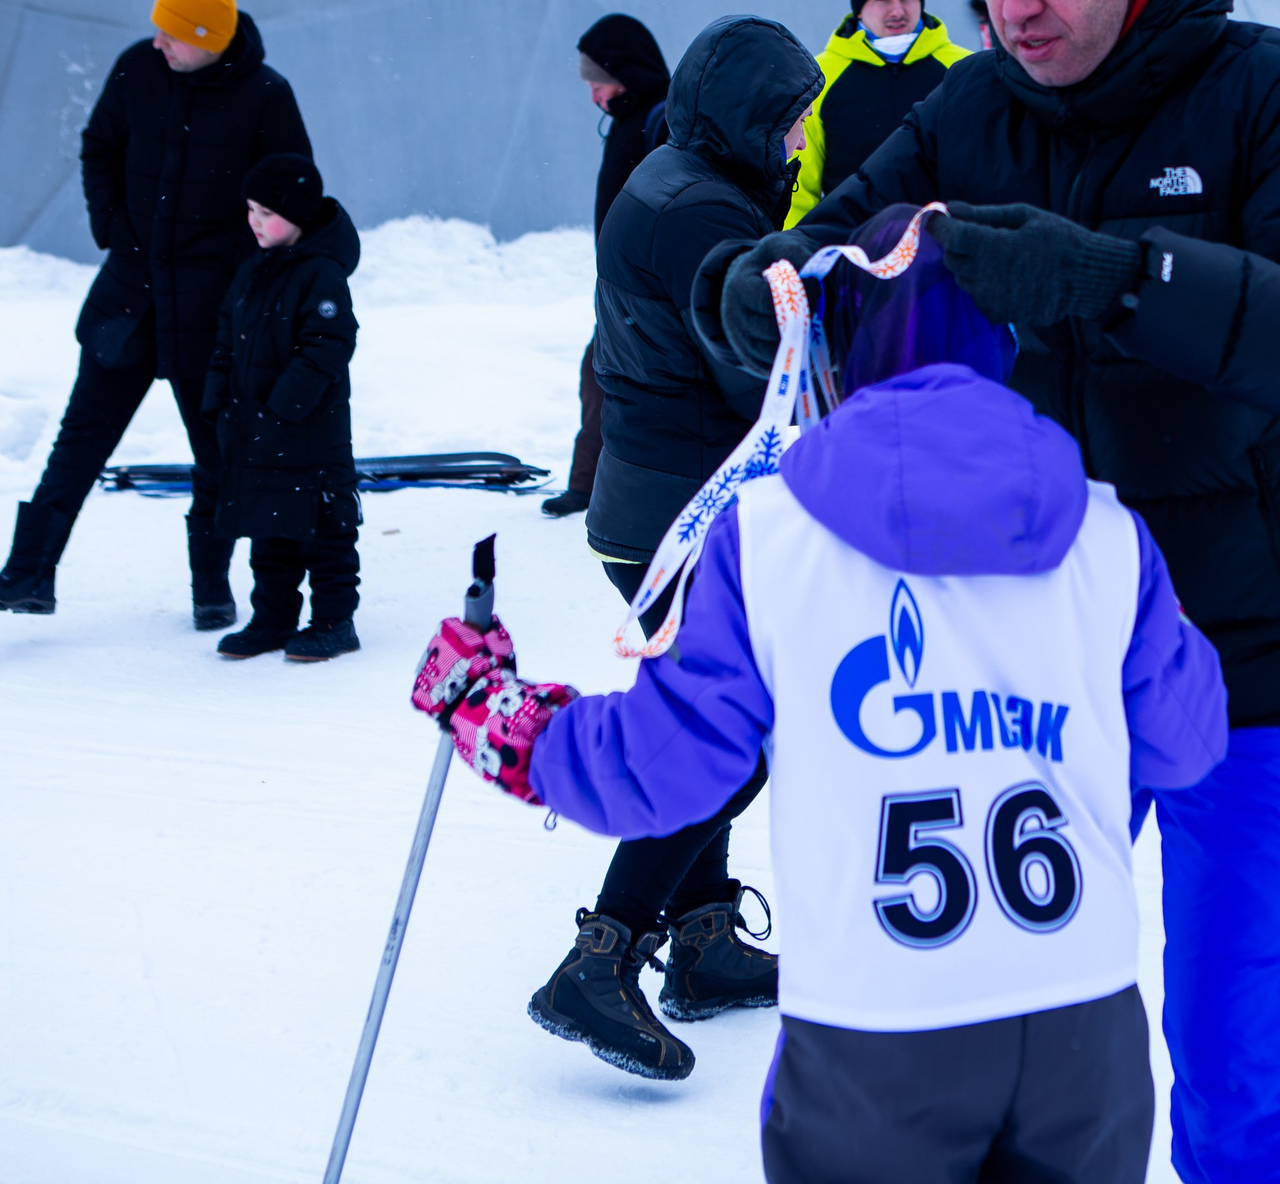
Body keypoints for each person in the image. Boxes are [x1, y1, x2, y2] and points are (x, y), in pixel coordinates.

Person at [705, 0, 1280, 1184]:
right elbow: (837, 241)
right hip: (1035, 669)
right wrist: (755, 287)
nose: (1012, 3)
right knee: (997, 1053)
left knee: (1234, 1060)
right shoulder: (968, 115)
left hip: (1258, 654)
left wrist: (1119, 275)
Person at [412, 209, 1228, 1182]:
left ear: (836, 356)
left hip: (880, 1028)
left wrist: (492, 710)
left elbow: (658, 773)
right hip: (1080, 1025)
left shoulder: (769, 538)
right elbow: (1187, 741)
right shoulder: (1105, 532)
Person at [546, 13, 822, 1080]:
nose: (799, 146)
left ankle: (703, 939)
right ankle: (600, 959)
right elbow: (759, 368)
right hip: (686, 521)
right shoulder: (704, 217)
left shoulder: (671, 174)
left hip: (652, 508)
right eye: (790, 124)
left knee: (714, 721)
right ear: (748, 117)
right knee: (732, 741)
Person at [0, 0, 313, 625]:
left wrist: (242, 277)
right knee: (80, 439)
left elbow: (294, 196)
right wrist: (113, 227)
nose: (157, 43)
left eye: (174, 35)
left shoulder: (266, 96)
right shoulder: (137, 70)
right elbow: (99, 148)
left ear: (208, 39)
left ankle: (211, 589)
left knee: (216, 455)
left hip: (212, 314)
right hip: (131, 297)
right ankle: (29, 574)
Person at [203, 155, 364, 661]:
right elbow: (226, 342)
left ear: (297, 215)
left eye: (266, 211)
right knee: (269, 530)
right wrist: (220, 404)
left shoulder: (321, 275)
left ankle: (335, 621)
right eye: (250, 209)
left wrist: (283, 409)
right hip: (256, 432)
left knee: (324, 533)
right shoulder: (251, 272)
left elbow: (327, 345)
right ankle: (272, 617)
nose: (254, 220)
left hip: (310, 435)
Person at [546, 15, 671, 520]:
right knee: (599, 374)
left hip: (645, 286)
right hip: (622, 285)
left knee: (612, 378)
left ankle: (611, 488)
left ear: (625, 72)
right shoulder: (630, 119)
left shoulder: (659, 118)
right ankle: (592, 485)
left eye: (599, 83)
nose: (594, 95)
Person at [784, 0, 970, 228]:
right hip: (851, 249)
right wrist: (795, 251)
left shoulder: (963, 68)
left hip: (947, 245)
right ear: (859, 7)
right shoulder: (819, 75)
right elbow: (798, 184)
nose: (897, 10)